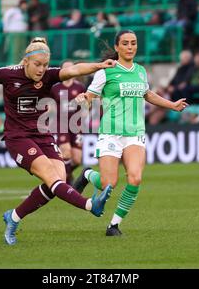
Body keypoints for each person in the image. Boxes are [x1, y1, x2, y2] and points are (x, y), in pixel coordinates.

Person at [0, 37, 114, 245]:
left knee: (57, 180)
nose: (42, 69)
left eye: (45, 65)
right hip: (18, 138)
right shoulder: (8, 74)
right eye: (37, 65)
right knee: (52, 177)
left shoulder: (49, 76)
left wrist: (99, 66)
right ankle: (90, 205)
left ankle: (13, 217)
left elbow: (74, 70)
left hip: (42, 134)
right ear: (25, 62)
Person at [72, 30, 188, 236]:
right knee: (110, 183)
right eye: (125, 43)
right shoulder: (105, 71)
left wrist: (172, 105)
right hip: (110, 132)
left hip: (135, 132)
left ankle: (114, 225)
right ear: (117, 47)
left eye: (133, 43)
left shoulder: (141, 71)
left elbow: (147, 94)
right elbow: (90, 95)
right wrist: (84, 99)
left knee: (135, 178)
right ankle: (88, 174)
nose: (130, 47)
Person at [50, 60, 86, 184]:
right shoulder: (55, 88)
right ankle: (65, 181)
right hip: (62, 124)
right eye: (66, 68)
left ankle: (67, 174)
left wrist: (85, 105)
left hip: (76, 125)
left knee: (77, 159)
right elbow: (50, 106)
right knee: (66, 152)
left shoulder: (80, 87)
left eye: (71, 68)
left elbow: (87, 105)